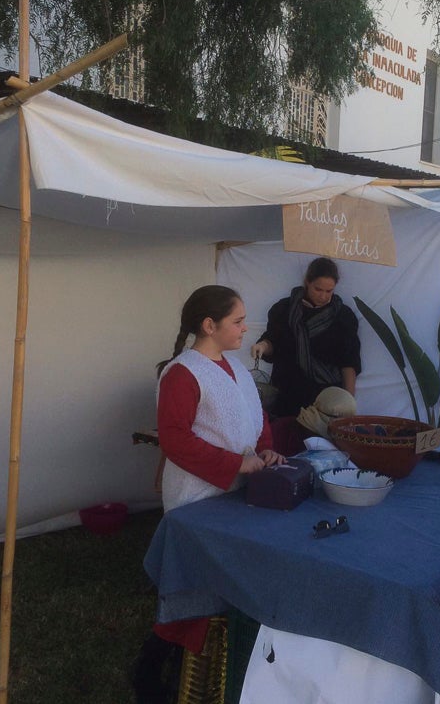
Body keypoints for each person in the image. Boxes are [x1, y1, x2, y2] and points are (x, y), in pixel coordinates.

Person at [133, 285, 285, 703]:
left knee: (218, 583)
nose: (245, 327)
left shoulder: (235, 368)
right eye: (237, 321)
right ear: (209, 325)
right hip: (196, 498)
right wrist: (235, 463)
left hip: (234, 494)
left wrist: (265, 449)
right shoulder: (183, 372)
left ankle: (193, 665)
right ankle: (152, 670)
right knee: (193, 585)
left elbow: (255, 417)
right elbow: (175, 440)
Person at [250, 257, 361, 417]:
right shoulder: (284, 309)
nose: (323, 296)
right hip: (286, 391)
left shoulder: (343, 316)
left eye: (329, 291)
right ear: (307, 282)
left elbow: (349, 362)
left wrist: (348, 402)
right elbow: (273, 341)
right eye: (318, 289)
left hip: (325, 397)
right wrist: (262, 346)